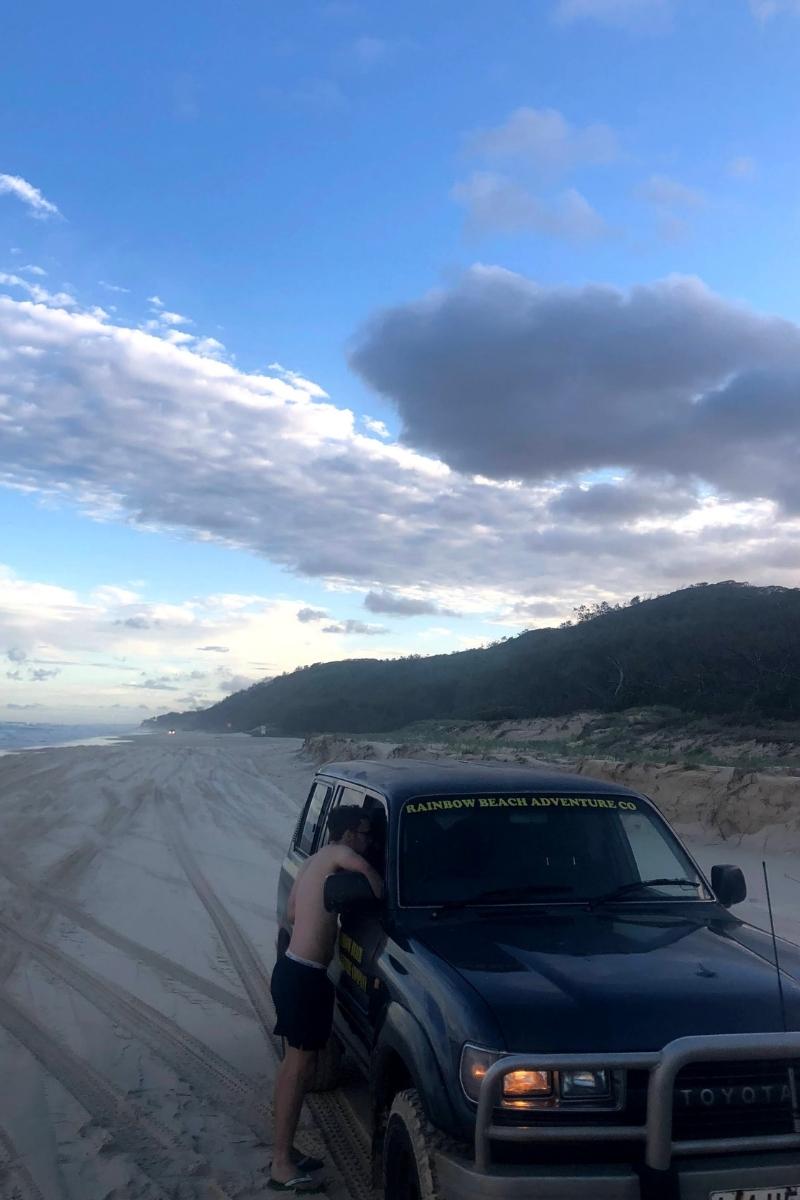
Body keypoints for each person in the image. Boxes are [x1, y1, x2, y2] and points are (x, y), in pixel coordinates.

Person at [269, 805, 382, 1194]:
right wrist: (376, 887)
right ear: (349, 834)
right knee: (297, 1069)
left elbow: (291, 913)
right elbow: (372, 881)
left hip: (293, 970)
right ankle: (281, 1163)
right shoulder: (339, 855)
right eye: (365, 834)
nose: (368, 842)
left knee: (297, 1068)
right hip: (303, 976)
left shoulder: (313, 861)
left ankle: (287, 1152)